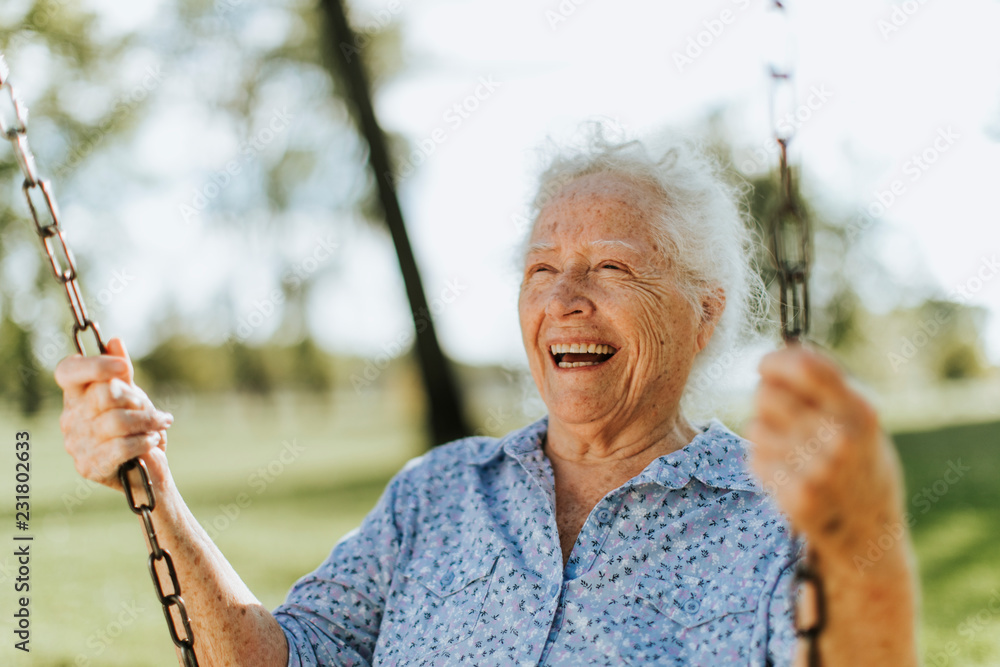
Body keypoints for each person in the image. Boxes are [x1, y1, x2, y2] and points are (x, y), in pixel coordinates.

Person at [56, 123, 919, 666]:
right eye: (541, 269)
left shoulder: (779, 522)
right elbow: (279, 658)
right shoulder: (436, 494)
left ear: (703, 313)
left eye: (611, 268)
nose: (563, 299)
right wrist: (157, 490)